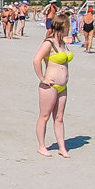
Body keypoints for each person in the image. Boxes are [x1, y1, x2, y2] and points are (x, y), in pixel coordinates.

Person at [33, 15, 73, 158]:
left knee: (59, 117)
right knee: (44, 116)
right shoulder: (49, 43)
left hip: (63, 86)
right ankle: (42, 146)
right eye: (68, 26)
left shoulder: (63, 43)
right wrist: (42, 78)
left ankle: (62, 147)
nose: (70, 29)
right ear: (63, 26)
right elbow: (36, 60)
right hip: (50, 86)